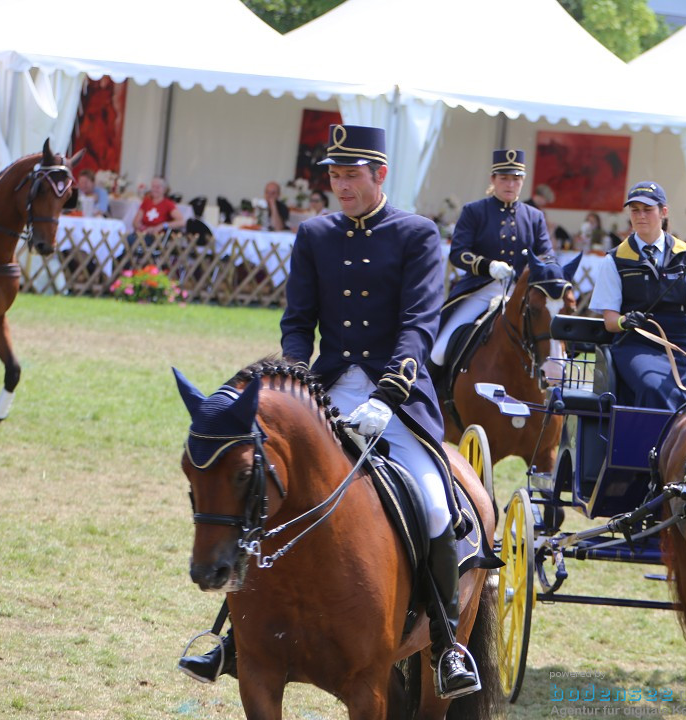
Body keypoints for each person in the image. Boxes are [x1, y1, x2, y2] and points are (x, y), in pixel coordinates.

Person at [178, 124, 481, 699]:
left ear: (380, 175)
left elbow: (419, 324)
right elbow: (298, 321)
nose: (340, 186)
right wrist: (290, 379)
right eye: (334, 177)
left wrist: (390, 391)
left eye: (350, 176)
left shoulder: (417, 235)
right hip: (322, 391)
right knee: (264, 490)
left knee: (436, 503)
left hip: (399, 397)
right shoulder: (315, 233)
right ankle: (233, 638)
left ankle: (447, 643)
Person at [588, 181, 686, 411]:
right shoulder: (615, 259)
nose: (641, 216)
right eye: (635, 210)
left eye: (647, 210)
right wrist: (625, 321)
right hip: (635, 344)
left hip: (680, 344)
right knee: (652, 386)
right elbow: (609, 321)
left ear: (663, 212)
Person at [430, 149, 558, 368]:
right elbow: (459, 252)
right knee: (439, 352)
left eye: (516, 179)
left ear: (523, 180)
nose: (510, 185)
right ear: (493, 179)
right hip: (480, 291)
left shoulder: (534, 217)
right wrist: (488, 266)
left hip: (520, 296)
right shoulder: (474, 211)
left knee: (551, 348)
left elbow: (547, 256)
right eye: (504, 179)